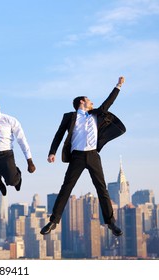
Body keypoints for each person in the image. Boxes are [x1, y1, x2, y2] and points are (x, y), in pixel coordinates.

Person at [40, 76, 126, 237]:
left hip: (93, 155)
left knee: (102, 189)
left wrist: (118, 86)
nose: (92, 102)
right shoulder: (69, 117)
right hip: (77, 157)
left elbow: (109, 102)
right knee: (66, 188)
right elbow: (58, 135)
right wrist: (52, 152)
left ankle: (111, 223)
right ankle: (53, 222)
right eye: (89, 100)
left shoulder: (96, 114)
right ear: (81, 102)